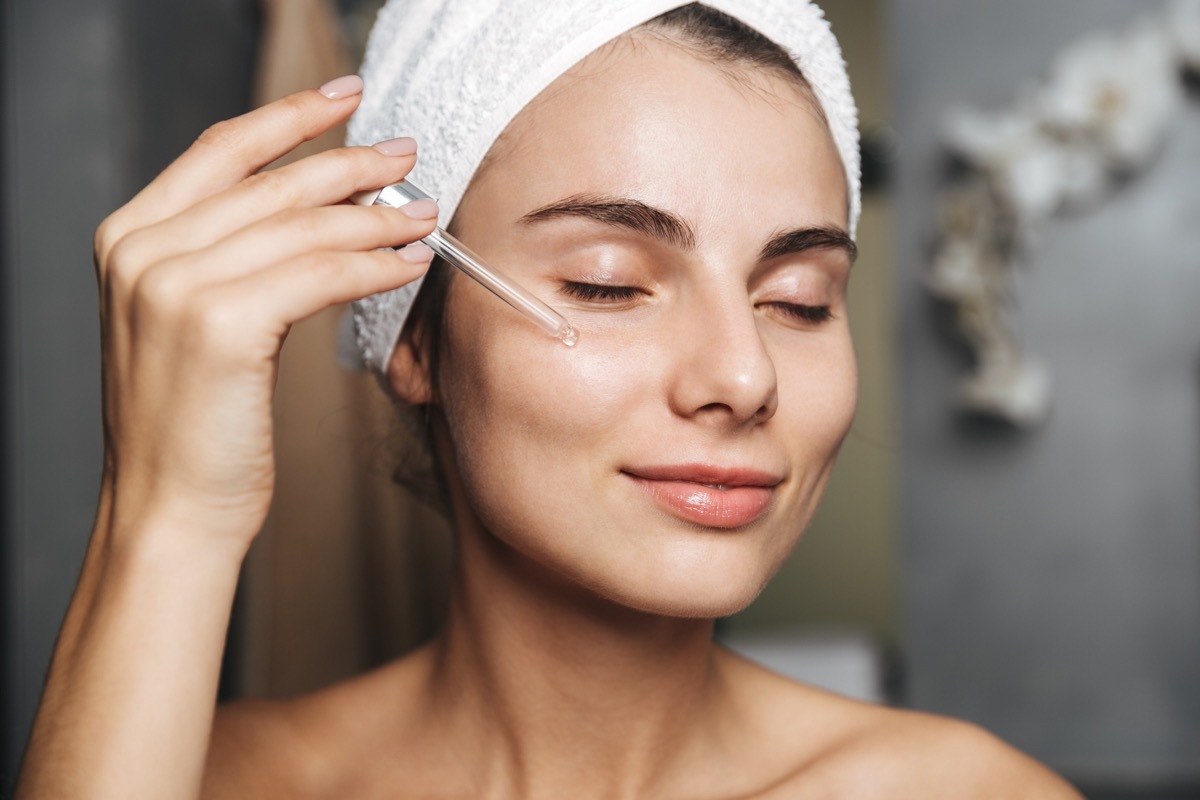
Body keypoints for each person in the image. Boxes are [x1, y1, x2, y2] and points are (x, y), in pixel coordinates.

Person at [16, 2, 1083, 797]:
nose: (744, 376)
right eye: (608, 283)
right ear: (418, 337)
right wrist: (165, 517)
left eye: (799, 300)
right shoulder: (211, 780)